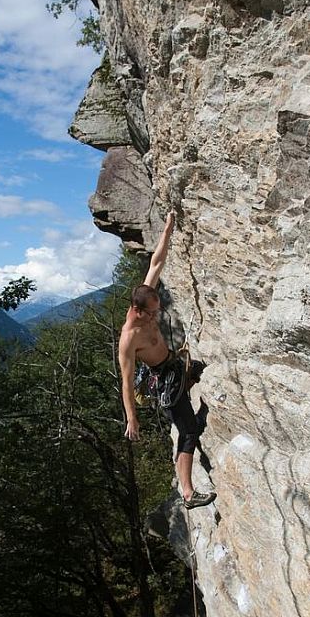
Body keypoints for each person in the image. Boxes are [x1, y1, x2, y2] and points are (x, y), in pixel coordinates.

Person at [118, 211, 216, 510]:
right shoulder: (129, 337)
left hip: (174, 364)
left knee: (198, 370)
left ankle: (192, 414)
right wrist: (131, 418)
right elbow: (125, 380)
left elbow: (156, 262)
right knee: (188, 432)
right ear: (137, 309)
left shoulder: (146, 297)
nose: (156, 315)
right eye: (152, 312)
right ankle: (188, 494)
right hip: (163, 380)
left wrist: (169, 228)